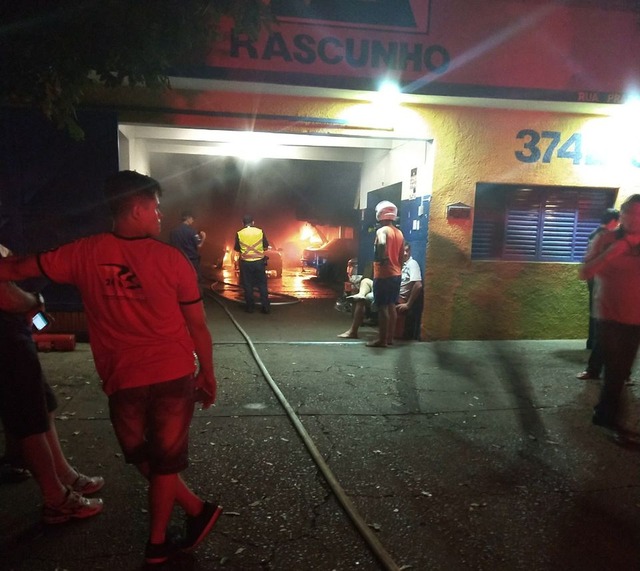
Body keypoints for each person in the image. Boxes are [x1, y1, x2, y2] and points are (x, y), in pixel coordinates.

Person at [0, 171, 220, 565]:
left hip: (140, 377)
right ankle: (195, 512)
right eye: (154, 207)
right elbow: (198, 326)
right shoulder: (171, 261)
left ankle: (157, 544)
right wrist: (208, 372)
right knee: (151, 458)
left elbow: (15, 268)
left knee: (150, 457)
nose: (158, 215)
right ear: (136, 208)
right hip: (154, 376)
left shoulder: (83, 253)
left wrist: (206, 372)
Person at [0, 244, 104, 523]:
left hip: (13, 333)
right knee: (29, 419)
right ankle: (56, 497)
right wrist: (33, 301)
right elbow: (4, 296)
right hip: (5, 338)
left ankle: (64, 473)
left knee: (43, 405)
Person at [579, 194, 640, 438]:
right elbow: (585, 272)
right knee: (615, 371)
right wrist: (616, 250)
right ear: (621, 215)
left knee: (621, 370)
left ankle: (604, 413)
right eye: (632, 213)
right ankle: (613, 419)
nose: (636, 219)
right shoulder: (605, 238)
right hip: (608, 315)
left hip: (636, 318)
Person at [338, 243, 422, 340]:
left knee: (363, 300)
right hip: (387, 291)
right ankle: (361, 294)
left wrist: (408, 304)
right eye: (403, 251)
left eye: (407, 251)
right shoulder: (397, 264)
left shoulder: (412, 264)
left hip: (395, 297)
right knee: (365, 281)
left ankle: (353, 331)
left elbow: (418, 285)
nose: (405, 253)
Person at [576, 208, 619, 380]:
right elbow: (589, 264)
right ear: (614, 220)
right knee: (603, 324)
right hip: (602, 286)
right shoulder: (605, 236)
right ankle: (598, 365)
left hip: (605, 287)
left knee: (601, 322)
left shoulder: (599, 235)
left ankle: (598, 364)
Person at [366, 200, 405, 348]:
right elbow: (401, 256)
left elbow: (381, 243)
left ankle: (381, 340)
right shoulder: (399, 233)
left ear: (380, 214)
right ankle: (389, 338)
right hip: (396, 274)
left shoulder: (382, 231)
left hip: (383, 275)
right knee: (391, 306)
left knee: (382, 307)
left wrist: (382, 258)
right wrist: (397, 267)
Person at [234, 214, 270, 314]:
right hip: (259, 262)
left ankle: (250, 307)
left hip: (246, 263)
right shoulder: (260, 231)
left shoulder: (239, 233)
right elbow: (266, 246)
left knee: (248, 285)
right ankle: (266, 307)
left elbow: (236, 248)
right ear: (253, 222)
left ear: (243, 223)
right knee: (262, 284)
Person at [169, 210, 206, 277]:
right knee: (193, 279)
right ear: (188, 218)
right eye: (192, 218)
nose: (193, 220)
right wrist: (203, 237)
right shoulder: (192, 231)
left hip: (177, 260)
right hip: (191, 261)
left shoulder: (173, 232)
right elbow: (199, 245)